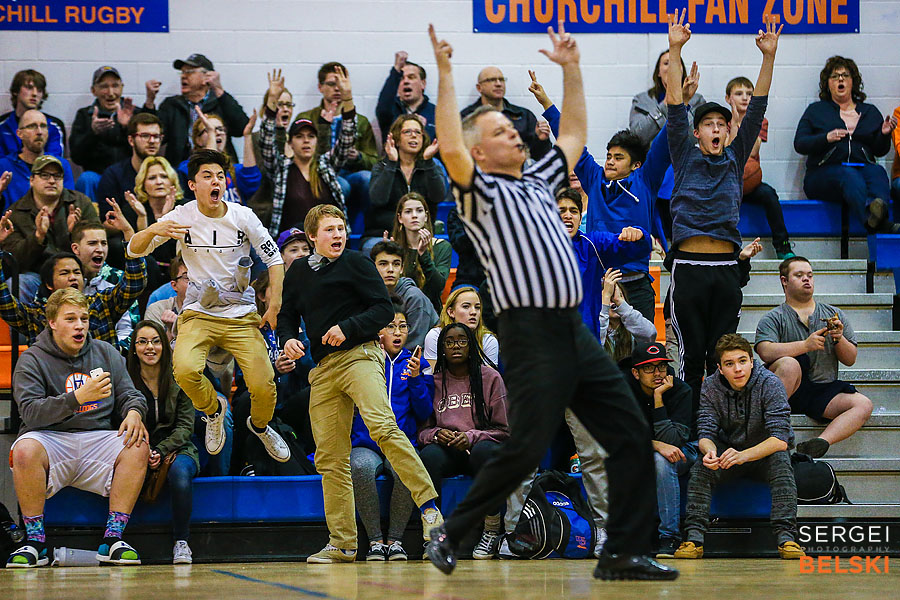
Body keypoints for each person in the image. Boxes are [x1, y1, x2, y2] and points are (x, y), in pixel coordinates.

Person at [425, 23, 675, 580]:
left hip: (575, 334)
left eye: (512, 127)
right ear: (478, 150)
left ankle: (623, 549)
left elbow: (576, 136)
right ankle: (453, 530)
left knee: (629, 432)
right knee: (524, 449)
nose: (513, 133)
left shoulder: (539, 179)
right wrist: (444, 74)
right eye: (498, 130)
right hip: (531, 337)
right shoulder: (479, 191)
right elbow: (448, 140)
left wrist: (571, 69)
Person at [278, 204, 442, 564]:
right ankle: (343, 543)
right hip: (322, 369)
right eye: (330, 230)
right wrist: (288, 338)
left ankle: (429, 507)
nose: (338, 235)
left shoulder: (357, 262)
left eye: (341, 228)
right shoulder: (299, 273)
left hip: (360, 355)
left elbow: (384, 310)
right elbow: (286, 315)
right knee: (330, 458)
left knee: (384, 426)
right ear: (312, 237)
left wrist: (347, 328)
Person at [126, 148, 291, 464]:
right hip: (198, 314)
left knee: (264, 384)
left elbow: (275, 258)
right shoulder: (182, 215)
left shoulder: (242, 216)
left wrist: (274, 306)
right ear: (192, 185)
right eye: (207, 176)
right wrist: (153, 229)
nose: (216, 181)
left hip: (241, 315)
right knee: (185, 370)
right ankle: (214, 412)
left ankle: (260, 426)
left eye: (220, 176)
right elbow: (134, 251)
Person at [665, 12, 781, 417]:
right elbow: (676, 106)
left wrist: (768, 57)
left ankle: (717, 426)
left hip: (726, 266)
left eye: (722, 124)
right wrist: (676, 48)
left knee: (721, 356)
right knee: (691, 357)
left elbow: (759, 104)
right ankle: (687, 429)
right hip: (689, 266)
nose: (716, 128)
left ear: (729, 132)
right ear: (698, 133)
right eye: (708, 124)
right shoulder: (682, 153)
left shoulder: (735, 157)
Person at [6, 288, 149, 568]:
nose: (80, 325)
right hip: (51, 437)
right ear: (52, 322)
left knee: (137, 444)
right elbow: (31, 413)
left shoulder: (105, 352)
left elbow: (131, 394)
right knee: (24, 450)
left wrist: (134, 412)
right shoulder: (32, 359)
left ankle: (113, 539)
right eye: (70, 319)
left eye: (83, 318)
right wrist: (77, 398)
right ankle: (35, 542)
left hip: (97, 436)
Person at [531, 74, 668, 321]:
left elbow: (666, 141)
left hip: (636, 285)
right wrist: (546, 104)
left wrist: (683, 103)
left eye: (618, 158)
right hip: (599, 282)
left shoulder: (645, 180)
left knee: (642, 354)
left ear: (636, 165)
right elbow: (570, 140)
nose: (610, 162)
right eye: (608, 155)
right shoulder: (594, 179)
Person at [674, 334, 805, 561]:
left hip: (764, 452)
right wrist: (710, 451)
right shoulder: (711, 386)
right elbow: (705, 432)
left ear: (752, 362)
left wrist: (744, 456)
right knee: (701, 468)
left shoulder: (770, 383)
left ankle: (788, 539)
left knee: (782, 464)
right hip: (728, 453)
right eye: (729, 364)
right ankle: (693, 539)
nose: (738, 369)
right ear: (720, 368)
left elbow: (780, 439)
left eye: (743, 361)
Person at [754, 256, 872, 458]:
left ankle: (818, 444)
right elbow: (764, 351)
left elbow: (850, 359)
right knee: (790, 365)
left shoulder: (834, 314)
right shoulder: (773, 317)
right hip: (785, 387)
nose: (807, 279)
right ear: (784, 281)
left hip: (821, 390)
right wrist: (804, 346)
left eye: (810, 275)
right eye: (799, 275)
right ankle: (760, 431)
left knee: (863, 404)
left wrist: (839, 338)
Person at [351, 300, 433, 561]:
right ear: (378, 331)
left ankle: (395, 540)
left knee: (405, 469)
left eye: (403, 326)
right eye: (391, 326)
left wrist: (418, 379)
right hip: (367, 442)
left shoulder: (414, 363)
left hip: (401, 441)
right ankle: (375, 541)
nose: (397, 332)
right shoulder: (362, 360)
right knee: (360, 467)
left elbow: (424, 412)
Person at [418, 323, 509, 560]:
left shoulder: (490, 377)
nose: (456, 346)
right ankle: (435, 536)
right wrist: (437, 434)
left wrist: (471, 437)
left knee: (486, 453)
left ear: (471, 346)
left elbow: (503, 430)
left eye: (462, 341)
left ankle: (491, 529)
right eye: (449, 342)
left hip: (477, 448)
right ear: (441, 348)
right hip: (447, 451)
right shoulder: (434, 381)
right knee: (428, 455)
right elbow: (422, 432)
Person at [794, 56, 899, 234]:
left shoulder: (870, 112)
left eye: (845, 75)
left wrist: (883, 134)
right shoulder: (816, 110)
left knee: (877, 172)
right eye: (835, 76)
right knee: (848, 174)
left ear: (853, 82)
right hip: (823, 174)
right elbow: (800, 144)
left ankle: (877, 215)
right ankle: (876, 223)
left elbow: (880, 150)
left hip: (862, 168)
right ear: (828, 84)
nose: (840, 79)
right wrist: (825, 138)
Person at [127, 320, 199, 564]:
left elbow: (185, 427)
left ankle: (182, 541)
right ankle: (116, 537)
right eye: (143, 342)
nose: (150, 347)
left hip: (178, 447)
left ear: (164, 346)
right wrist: (145, 450)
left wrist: (160, 449)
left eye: (156, 341)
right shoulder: (126, 382)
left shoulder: (180, 378)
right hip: (135, 447)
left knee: (180, 475)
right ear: (134, 348)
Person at [623, 342, 696, 559]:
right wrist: (654, 445)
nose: (657, 373)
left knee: (661, 461)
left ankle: (669, 536)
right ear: (635, 372)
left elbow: (673, 442)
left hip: (685, 450)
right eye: (649, 368)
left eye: (661, 367)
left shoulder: (681, 390)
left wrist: (658, 399)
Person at [259, 69, 352, 236]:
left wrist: (348, 98)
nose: (306, 140)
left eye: (311, 136)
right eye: (300, 136)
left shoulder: (326, 166)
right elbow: (266, 140)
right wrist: (272, 100)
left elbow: (347, 139)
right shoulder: (282, 169)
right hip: (293, 242)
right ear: (290, 143)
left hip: (327, 241)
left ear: (317, 141)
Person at [0, 244, 146, 349]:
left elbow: (134, 284)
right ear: (49, 284)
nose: (73, 277)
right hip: (54, 388)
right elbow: (4, 304)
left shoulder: (102, 304)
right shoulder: (36, 315)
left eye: (77, 272)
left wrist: (133, 243)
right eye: (64, 273)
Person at [555, 187, 652, 339]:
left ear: (580, 219)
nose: (568, 215)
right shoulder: (533, 248)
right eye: (561, 211)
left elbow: (638, 249)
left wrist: (639, 234)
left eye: (573, 211)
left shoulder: (593, 245)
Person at [2, 154, 98, 302]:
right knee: (17, 284)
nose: (52, 180)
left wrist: (74, 234)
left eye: (57, 176)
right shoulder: (16, 212)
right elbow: (14, 261)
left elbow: (97, 242)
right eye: (45, 175)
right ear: (32, 180)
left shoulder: (80, 202)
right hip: (38, 276)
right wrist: (38, 237)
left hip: (78, 272)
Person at [629, 50, 704, 241]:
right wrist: (666, 104)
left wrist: (681, 103)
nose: (670, 67)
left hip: (683, 168)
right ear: (658, 72)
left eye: (675, 63)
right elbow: (637, 136)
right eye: (665, 63)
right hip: (650, 168)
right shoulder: (641, 100)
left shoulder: (697, 100)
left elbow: (693, 137)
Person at [298, 62, 379, 227]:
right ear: (320, 87)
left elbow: (374, 161)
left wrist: (358, 157)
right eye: (331, 84)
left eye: (340, 84)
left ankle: (368, 227)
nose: (337, 88)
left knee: (366, 178)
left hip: (350, 172)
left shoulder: (360, 121)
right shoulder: (307, 117)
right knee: (341, 185)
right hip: (318, 172)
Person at [725, 76, 793, 258]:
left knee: (770, 195)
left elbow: (752, 151)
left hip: (750, 182)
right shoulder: (722, 122)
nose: (745, 98)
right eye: (739, 94)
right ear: (728, 98)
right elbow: (729, 150)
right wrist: (734, 120)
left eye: (749, 94)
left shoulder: (760, 121)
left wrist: (744, 122)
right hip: (729, 184)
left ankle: (783, 246)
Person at [69, 67, 155, 200]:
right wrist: (93, 133)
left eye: (115, 86)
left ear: (122, 87)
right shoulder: (85, 115)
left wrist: (127, 127)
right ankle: (88, 220)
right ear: (94, 90)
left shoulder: (134, 113)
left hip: (131, 176)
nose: (110, 93)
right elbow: (77, 157)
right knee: (86, 179)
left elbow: (150, 146)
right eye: (104, 86)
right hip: (98, 176)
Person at [153, 54, 250, 167]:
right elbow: (156, 136)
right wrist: (150, 103)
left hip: (218, 167)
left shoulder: (221, 102)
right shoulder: (171, 105)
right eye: (182, 72)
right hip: (181, 169)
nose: (183, 76)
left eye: (189, 72)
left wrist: (218, 90)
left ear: (207, 77)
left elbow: (242, 129)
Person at [366, 116, 445, 253]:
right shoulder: (382, 166)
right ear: (396, 139)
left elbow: (438, 196)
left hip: (419, 235)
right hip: (384, 233)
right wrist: (391, 163)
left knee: (440, 249)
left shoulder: (430, 166)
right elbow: (378, 199)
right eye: (407, 132)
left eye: (418, 132)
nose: (414, 135)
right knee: (374, 248)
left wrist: (428, 162)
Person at [69, 221, 140, 346]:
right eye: (92, 243)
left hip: (110, 353)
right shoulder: (61, 278)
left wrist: (110, 353)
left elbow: (128, 330)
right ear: (76, 248)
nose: (100, 249)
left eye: (104, 243)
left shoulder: (119, 279)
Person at [460, 67, 550, 161]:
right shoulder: (467, 117)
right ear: (479, 87)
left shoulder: (524, 115)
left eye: (501, 79)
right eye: (491, 80)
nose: (498, 84)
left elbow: (541, 158)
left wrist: (541, 140)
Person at [177, 109, 261, 204]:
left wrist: (247, 136)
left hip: (233, 218)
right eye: (208, 130)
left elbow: (252, 181)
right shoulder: (186, 167)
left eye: (220, 129)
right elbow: (207, 166)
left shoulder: (233, 169)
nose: (218, 133)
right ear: (198, 140)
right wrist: (212, 133)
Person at [0, 110, 76, 210]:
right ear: (19, 133)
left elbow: (69, 205)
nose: (39, 132)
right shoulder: (4, 166)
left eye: (43, 126)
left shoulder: (61, 165)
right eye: (32, 126)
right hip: (13, 223)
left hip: (53, 223)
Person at [389, 192, 452, 311]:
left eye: (419, 211)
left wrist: (423, 254)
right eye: (408, 212)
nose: (414, 215)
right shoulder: (394, 247)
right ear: (400, 218)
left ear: (426, 216)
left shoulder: (442, 247)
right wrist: (387, 258)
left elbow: (438, 287)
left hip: (429, 311)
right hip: (398, 311)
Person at [371, 240, 438, 350]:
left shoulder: (415, 297)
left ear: (402, 268)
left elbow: (414, 345)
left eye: (396, 264)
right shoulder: (370, 293)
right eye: (383, 264)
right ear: (373, 267)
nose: (390, 270)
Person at [96, 113, 163, 222]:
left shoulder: (171, 174)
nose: (152, 141)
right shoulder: (113, 175)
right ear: (131, 140)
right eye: (145, 135)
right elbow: (107, 222)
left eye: (156, 136)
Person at [423, 286, 499, 376]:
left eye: (477, 307)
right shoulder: (435, 336)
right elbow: (433, 377)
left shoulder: (488, 340)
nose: (474, 312)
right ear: (451, 312)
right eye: (466, 306)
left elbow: (489, 380)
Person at [0, 69, 66, 158]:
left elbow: (54, 161)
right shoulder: (2, 125)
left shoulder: (54, 125)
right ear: (16, 91)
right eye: (29, 88)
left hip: (42, 171)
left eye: (39, 90)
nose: (34, 94)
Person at [376, 51, 436, 144]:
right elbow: (383, 107)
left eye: (411, 77)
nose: (406, 81)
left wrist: (424, 130)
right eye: (401, 78)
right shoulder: (390, 110)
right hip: (395, 157)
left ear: (423, 84)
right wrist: (396, 71)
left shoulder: (436, 113)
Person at [599, 268, 657, 362]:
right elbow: (596, 345)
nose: (613, 303)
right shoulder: (592, 326)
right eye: (610, 298)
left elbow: (650, 335)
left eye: (618, 296)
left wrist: (620, 302)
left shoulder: (632, 325)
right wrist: (605, 298)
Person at [144, 255, 188, 344]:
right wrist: (170, 331)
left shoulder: (214, 311)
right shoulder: (157, 310)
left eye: (198, 278)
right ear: (174, 285)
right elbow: (152, 352)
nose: (195, 283)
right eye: (187, 278)